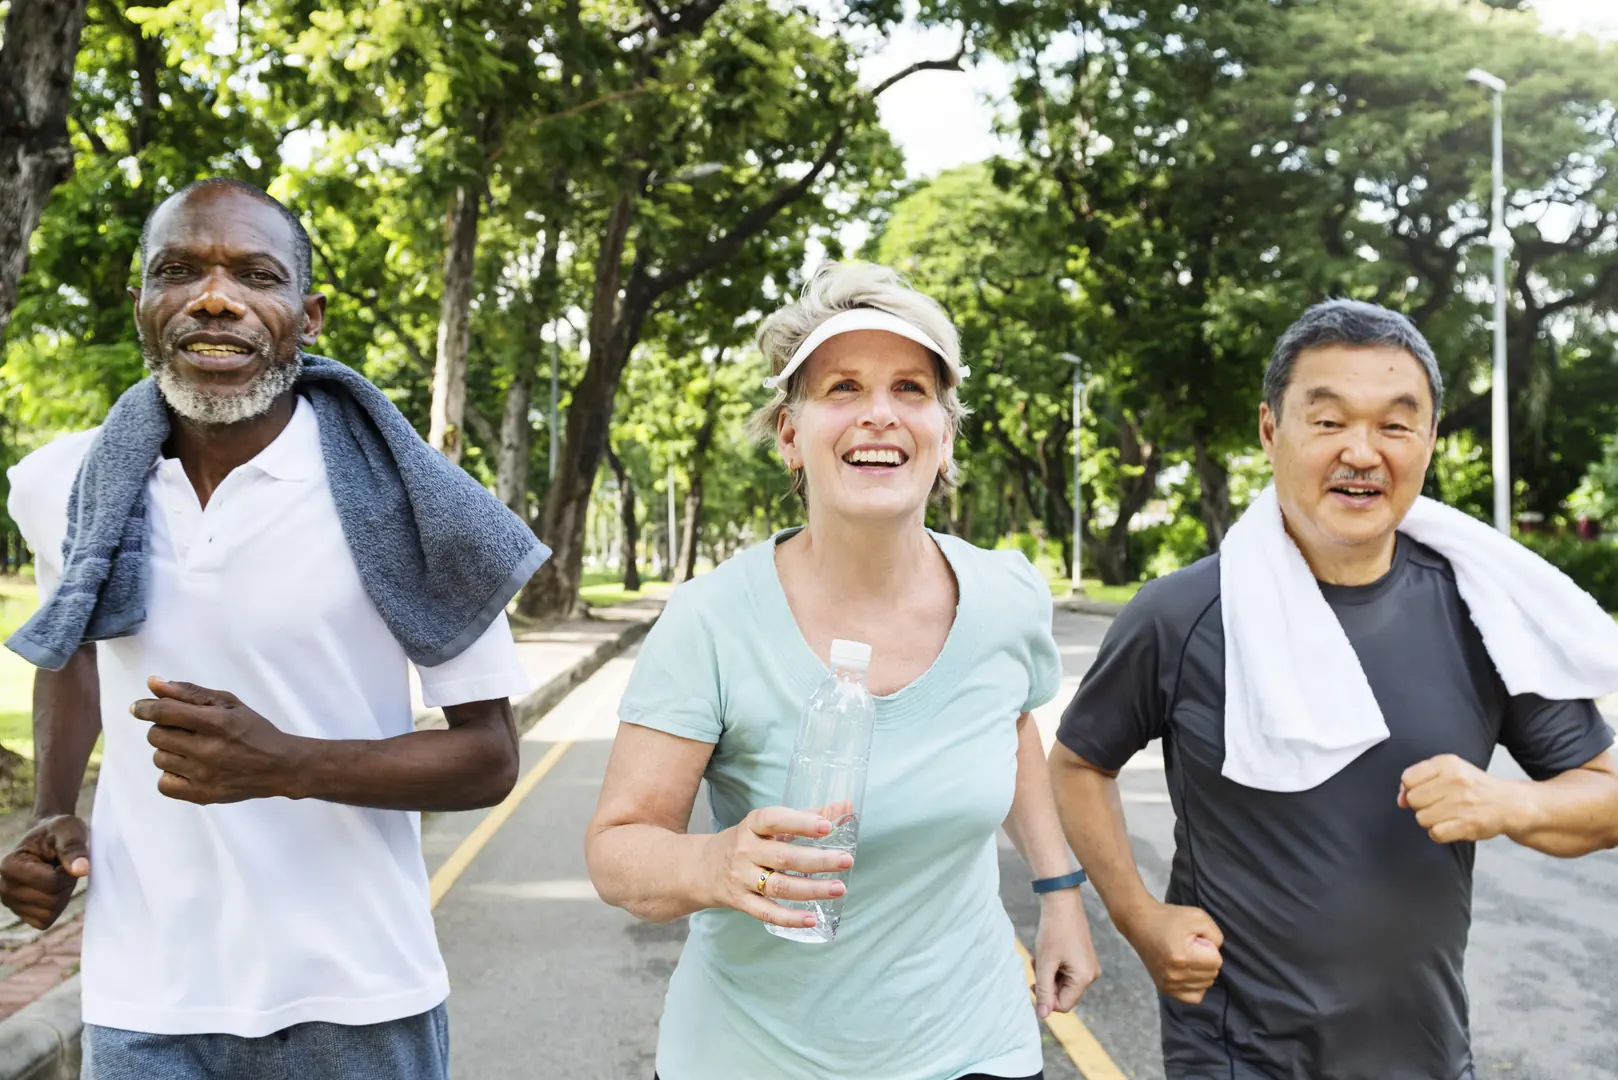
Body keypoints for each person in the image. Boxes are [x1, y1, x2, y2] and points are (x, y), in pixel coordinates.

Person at [2, 178, 546, 1080]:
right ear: (141, 302)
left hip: (359, 995)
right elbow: (74, 652)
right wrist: (52, 814)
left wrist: (284, 764)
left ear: (308, 314)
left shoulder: (409, 502)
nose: (216, 298)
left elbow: (489, 758)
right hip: (146, 997)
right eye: (179, 270)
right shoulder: (64, 484)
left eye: (255, 274)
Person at [1050, 298, 1618, 1080]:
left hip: (1425, 1053)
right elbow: (1079, 764)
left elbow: (1606, 797)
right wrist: (1138, 917)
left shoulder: (1485, 611)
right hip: (1233, 1054)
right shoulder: (1181, 616)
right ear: (1269, 431)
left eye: (1394, 423)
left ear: (1428, 441)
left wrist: (1512, 803)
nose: (1362, 451)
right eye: (1328, 421)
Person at [585, 261, 1100, 1080]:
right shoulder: (712, 620)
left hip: (976, 1046)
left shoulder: (1005, 595)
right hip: (752, 1058)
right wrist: (711, 864)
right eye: (842, 389)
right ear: (791, 435)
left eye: (910, 389)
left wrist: (1060, 893)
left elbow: (1010, 728)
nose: (879, 416)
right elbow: (618, 850)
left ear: (944, 431)